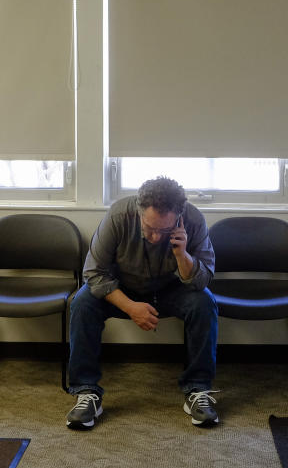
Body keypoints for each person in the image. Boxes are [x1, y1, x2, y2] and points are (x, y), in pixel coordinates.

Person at [65, 176, 218, 429]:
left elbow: (202, 280)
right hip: (123, 289)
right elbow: (94, 273)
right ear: (139, 211)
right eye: (150, 228)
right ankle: (86, 392)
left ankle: (197, 391)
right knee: (82, 302)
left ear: (179, 217)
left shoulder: (193, 219)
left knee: (204, 303)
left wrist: (182, 254)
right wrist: (129, 306)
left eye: (164, 230)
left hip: (172, 289)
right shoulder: (118, 216)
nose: (156, 237)